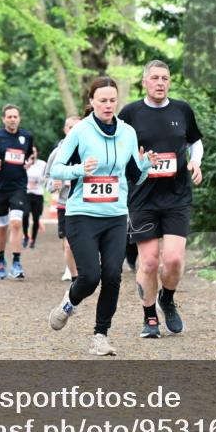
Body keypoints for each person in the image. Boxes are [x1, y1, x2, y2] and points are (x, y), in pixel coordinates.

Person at [47, 78, 155, 356]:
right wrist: (79, 170)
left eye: (112, 100)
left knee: (113, 275)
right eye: (102, 100)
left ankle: (100, 335)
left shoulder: (128, 133)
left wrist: (144, 167)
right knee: (90, 276)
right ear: (92, 101)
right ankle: (68, 303)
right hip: (82, 213)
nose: (108, 105)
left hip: (116, 215)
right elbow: (56, 169)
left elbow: (134, 177)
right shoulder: (80, 131)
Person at [118, 60, 203, 339]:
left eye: (164, 78)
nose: (160, 83)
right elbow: (117, 146)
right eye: (154, 78)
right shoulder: (130, 112)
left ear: (169, 82)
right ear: (144, 82)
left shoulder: (182, 109)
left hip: (176, 196)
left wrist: (196, 162)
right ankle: (149, 317)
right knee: (150, 263)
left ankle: (167, 298)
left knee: (175, 259)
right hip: (142, 198)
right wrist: (135, 161)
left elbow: (195, 141)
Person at [0, 105, 34, 280]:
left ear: (19, 118)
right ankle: (0, 260)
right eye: (9, 117)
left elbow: (26, 156)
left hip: (18, 186)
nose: (12, 119)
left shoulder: (26, 136)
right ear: (3, 119)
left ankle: (17, 262)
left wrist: (27, 162)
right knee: (2, 226)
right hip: (0, 189)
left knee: (17, 223)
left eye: (15, 116)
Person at [42, 115, 81, 281]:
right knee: (69, 243)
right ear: (65, 130)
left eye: (77, 127)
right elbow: (47, 179)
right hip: (65, 204)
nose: (73, 131)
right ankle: (74, 277)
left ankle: (82, 269)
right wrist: (54, 184)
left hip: (87, 204)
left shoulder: (89, 150)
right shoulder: (57, 153)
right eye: (70, 127)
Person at [23, 147, 46, 249]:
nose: (32, 154)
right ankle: (26, 236)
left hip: (38, 194)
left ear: (37, 153)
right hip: (26, 194)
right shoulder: (24, 163)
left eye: (34, 152)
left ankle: (33, 239)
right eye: (30, 152)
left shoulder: (42, 164)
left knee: (36, 219)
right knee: (25, 215)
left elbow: (46, 178)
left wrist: (37, 181)